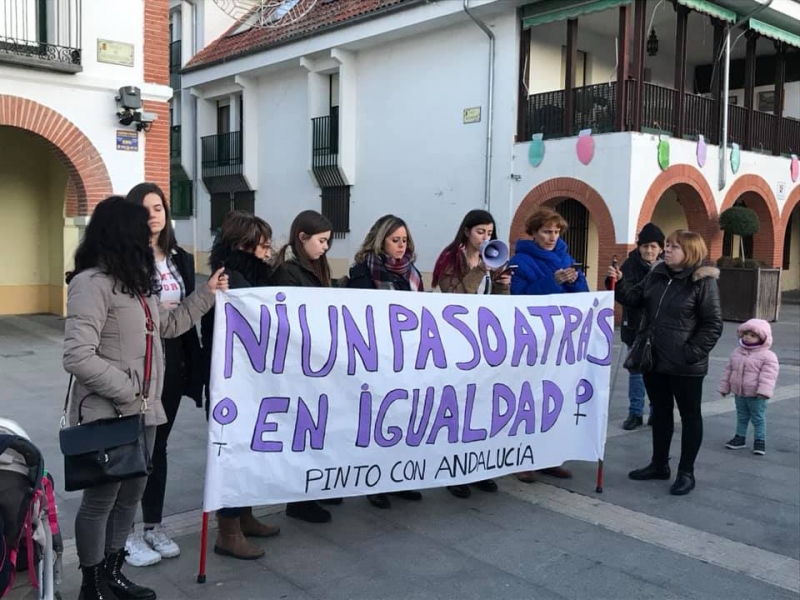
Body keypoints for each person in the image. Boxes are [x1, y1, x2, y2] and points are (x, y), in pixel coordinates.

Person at [63, 196, 227, 600]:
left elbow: (169, 326)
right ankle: (93, 583)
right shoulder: (90, 284)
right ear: (122, 233)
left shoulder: (138, 282)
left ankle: (114, 572)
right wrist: (128, 392)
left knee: (130, 495)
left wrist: (205, 293)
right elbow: (77, 355)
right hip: (107, 413)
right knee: (101, 500)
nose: (150, 232)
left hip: (144, 412)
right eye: (142, 227)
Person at [122, 183, 204, 567]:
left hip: (173, 358)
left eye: (159, 207)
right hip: (139, 360)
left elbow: (187, 309)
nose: (153, 214)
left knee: (159, 445)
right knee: (133, 445)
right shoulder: (123, 257)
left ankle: (152, 525)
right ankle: (122, 534)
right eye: (145, 208)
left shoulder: (179, 257)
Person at [608, 229, 722, 496]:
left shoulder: (703, 281)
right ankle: (659, 464)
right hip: (654, 359)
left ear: (690, 252)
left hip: (685, 365)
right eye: (667, 246)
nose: (666, 250)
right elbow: (633, 299)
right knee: (660, 413)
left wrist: (690, 353)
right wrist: (618, 281)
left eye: (673, 246)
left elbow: (712, 324)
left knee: (690, 416)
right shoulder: (656, 274)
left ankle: (686, 472)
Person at [201, 210, 281, 560]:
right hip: (232, 382)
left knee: (250, 451)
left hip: (250, 378)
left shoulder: (248, 275)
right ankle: (227, 532)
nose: (267, 251)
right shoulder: (228, 279)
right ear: (242, 245)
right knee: (232, 453)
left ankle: (245, 517)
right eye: (262, 245)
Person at [346, 215, 425, 509]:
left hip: (406, 360)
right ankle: (374, 481)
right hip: (376, 359)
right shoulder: (362, 272)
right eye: (395, 240)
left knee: (402, 420)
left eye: (405, 240)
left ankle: (399, 479)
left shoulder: (412, 274)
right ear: (381, 241)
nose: (401, 245)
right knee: (377, 422)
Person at [432, 209, 511, 498]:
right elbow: (456, 296)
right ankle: (454, 471)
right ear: (466, 231)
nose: (486, 238)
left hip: (482, 345)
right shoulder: (451, 258)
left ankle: (478, 468)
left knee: (481, 409)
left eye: (489, 233)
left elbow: (496, 305)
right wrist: (481, 269)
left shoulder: (493, 256)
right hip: (454, 345)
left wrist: (503, 287)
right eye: (480, 232)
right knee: (458, 410)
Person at [508, 206, 587, 482]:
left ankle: (549, 457)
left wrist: (576, 283)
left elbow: (584, 297)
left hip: (560, 344)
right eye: (546, 231)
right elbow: (518, 299)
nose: (552, 237)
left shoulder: (566, 257)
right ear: (534, 232)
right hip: (532, 343)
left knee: (554, 401)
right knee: (527, 401)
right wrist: (551, 282)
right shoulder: (521, 260)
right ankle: (521, 459)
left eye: (555, 231)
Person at [271, 210, 336, 524]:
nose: (325, 247)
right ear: (302, 237)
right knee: (302, 431)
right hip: (300, 363)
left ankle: (314, 488)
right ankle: (299, 499)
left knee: (318, 427)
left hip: (318, 360)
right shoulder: (288, 271)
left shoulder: (314, 267)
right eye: (321, 241)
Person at [605, 222, 664, 431]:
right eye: (645, 246)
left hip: (660, 332)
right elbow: (623, 294)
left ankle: (656, 411)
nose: (649, 251)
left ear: (661, 249)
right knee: (636, 373)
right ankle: (635, 412)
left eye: (653, 247)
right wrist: (616, 280)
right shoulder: (630, 266)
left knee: (657, 375)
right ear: (639, 247)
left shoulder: (666, 267)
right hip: (636, 329)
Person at [719, 319, 779, 456]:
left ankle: (760, 440)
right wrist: (724, 387)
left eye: (752, 335)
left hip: (756, 395)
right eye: (746, 333)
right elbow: (728, 370)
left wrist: (764, 392)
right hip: (739, 393)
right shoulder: (737, 352)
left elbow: (768, 376)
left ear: (762, 338)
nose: (747, 337)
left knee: (758, 417)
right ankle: (740, 437)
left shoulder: (768, 356)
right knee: (742, 416)